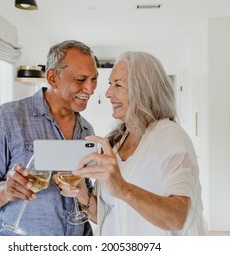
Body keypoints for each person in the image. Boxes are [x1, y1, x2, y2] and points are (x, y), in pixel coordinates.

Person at [54, 51, 204, 235]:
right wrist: (82, 193)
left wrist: (123, 188)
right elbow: (107, 214)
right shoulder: (117, 140)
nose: (108, 93)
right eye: (110, 84)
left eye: (118, 85)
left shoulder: (169, 136)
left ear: (143, 90)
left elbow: (177, 217)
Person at [0, 40, 99, 236]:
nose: (91, 89)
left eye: (94, 79)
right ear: (52, 78)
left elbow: (84, 191)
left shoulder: (87, 130)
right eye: (80, 79)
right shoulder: (7, 117)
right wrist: (6, 191)